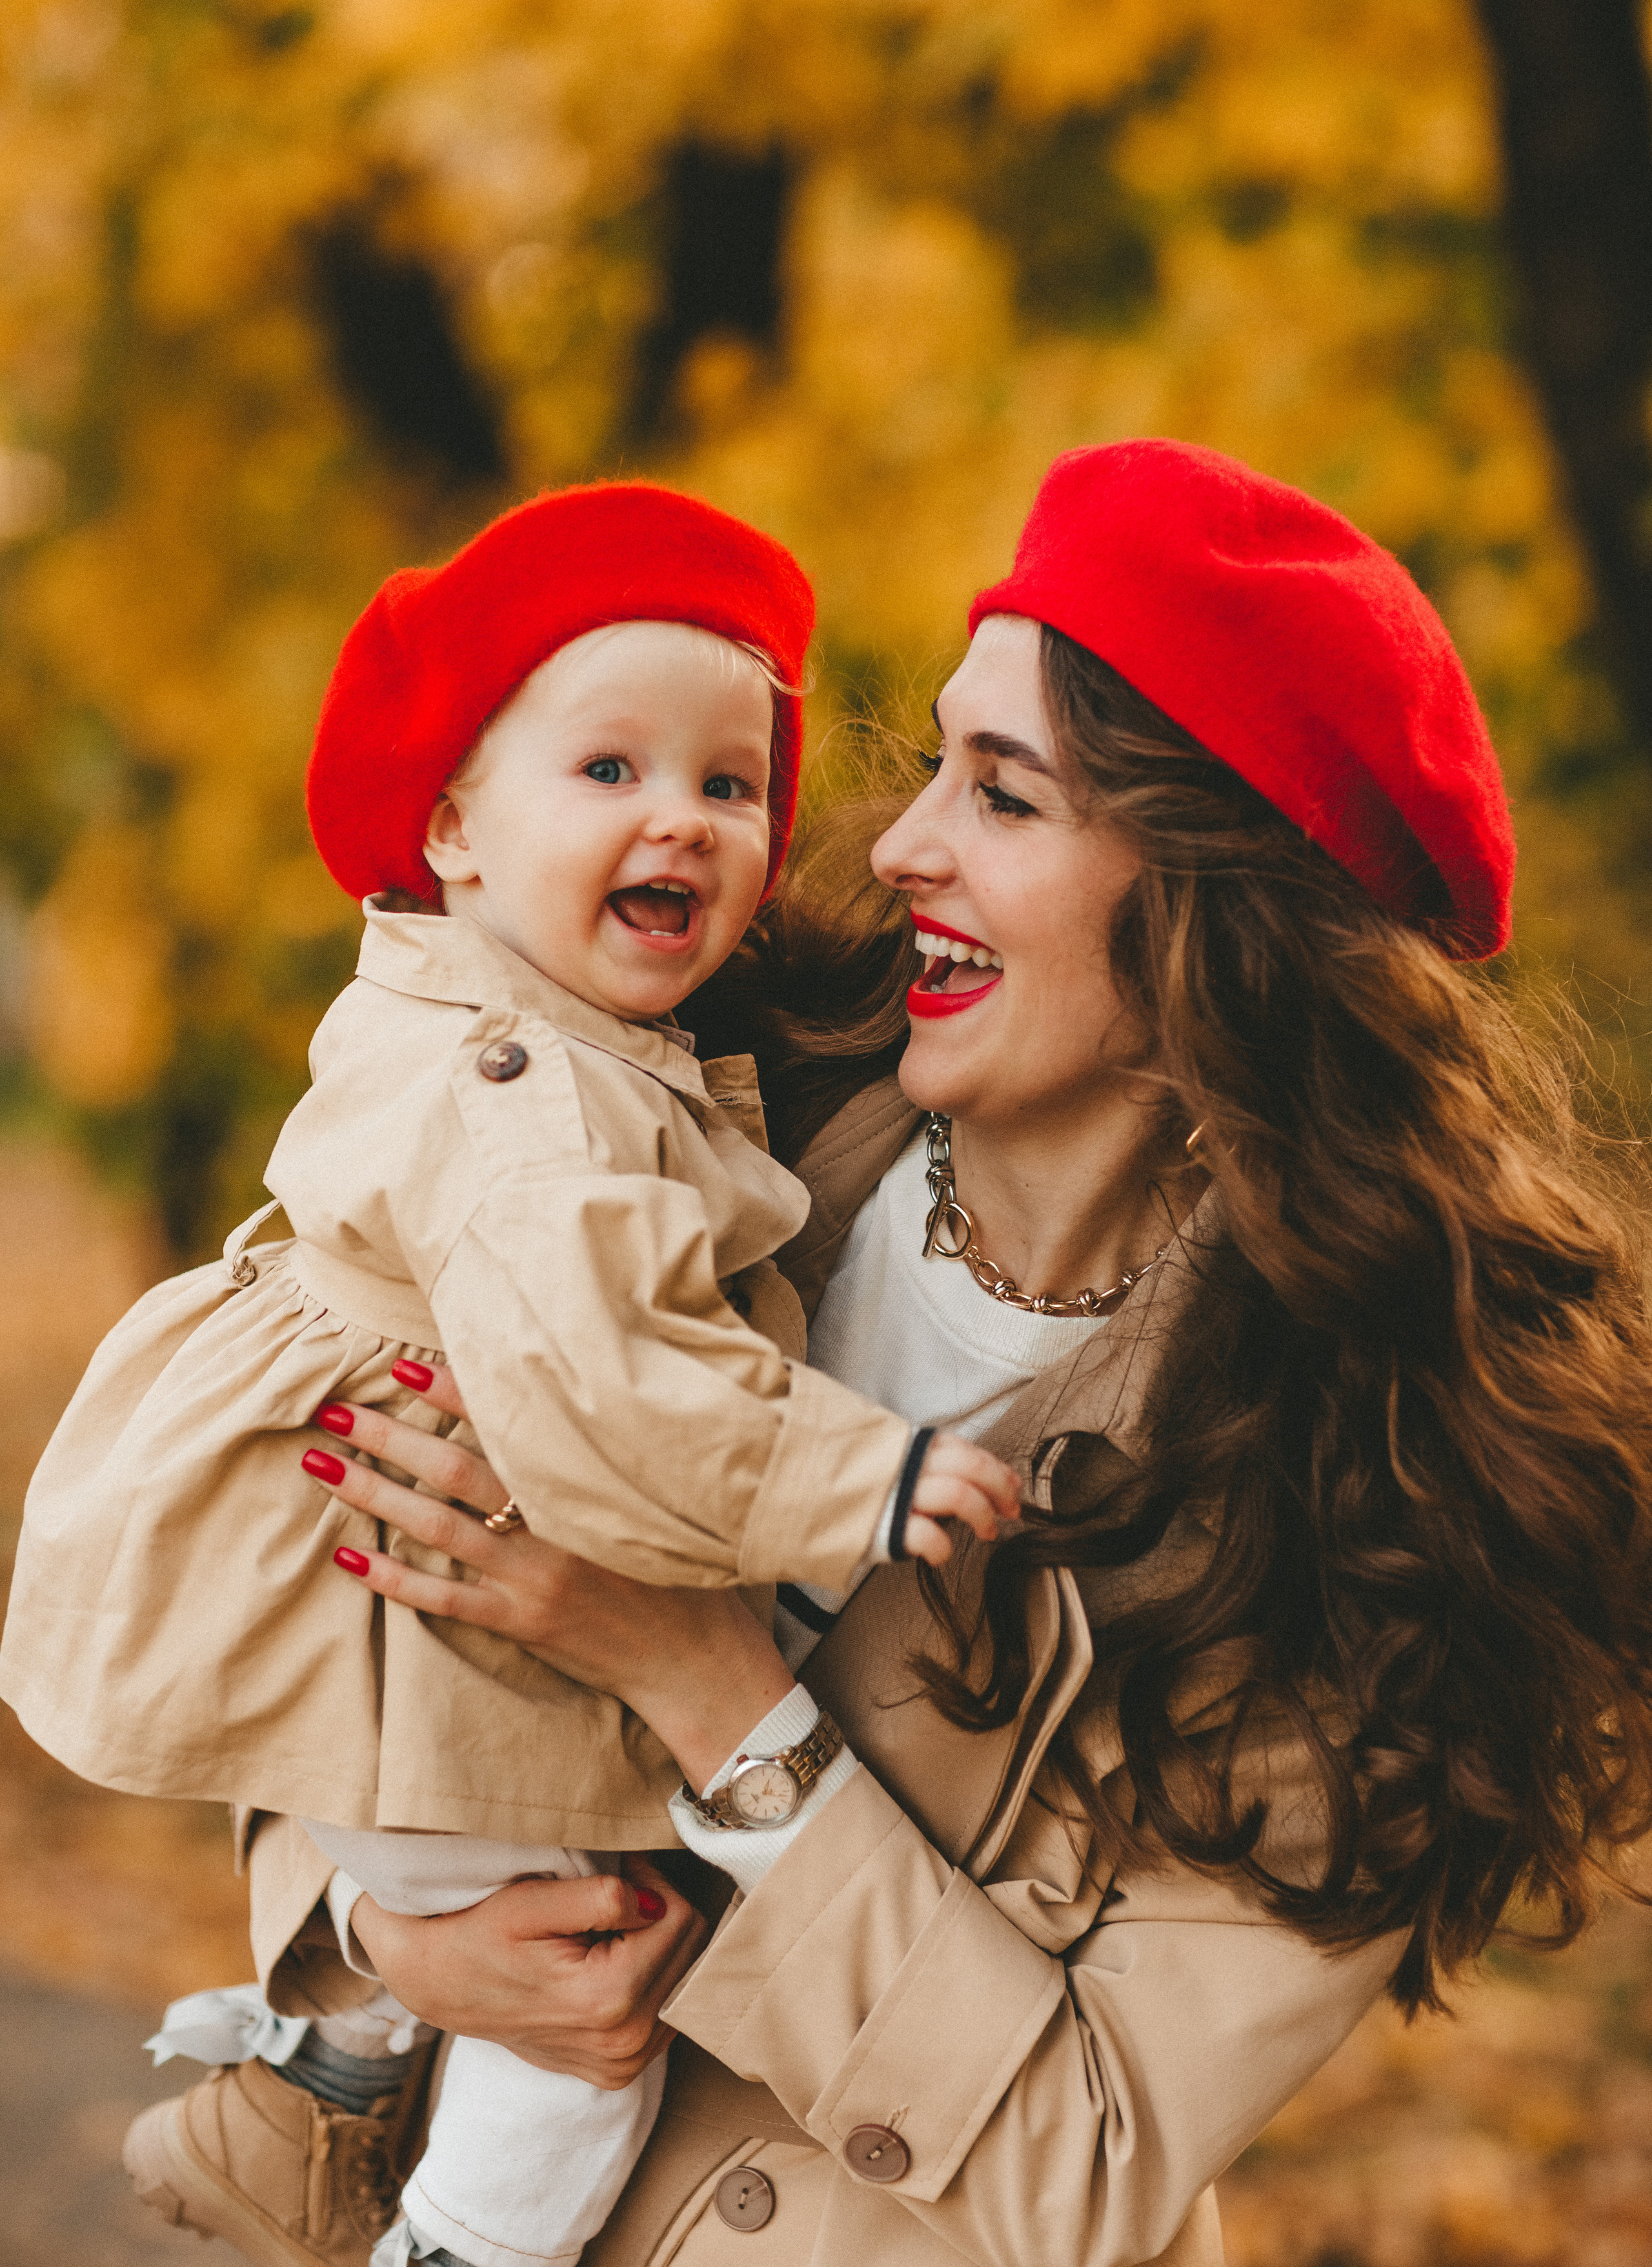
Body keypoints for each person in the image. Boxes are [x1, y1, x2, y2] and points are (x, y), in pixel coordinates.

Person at [230, 439, 1652, 2267]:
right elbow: (300, 1624)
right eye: (931, 773)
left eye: (1006, 797)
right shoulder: (660, 1144)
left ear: (1220, 910)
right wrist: (379, 1933)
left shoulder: (1371, 1491)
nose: (900, 846)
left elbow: (1097, 2164)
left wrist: (708, 1688)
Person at [0, 482, 1014, 2267]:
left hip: (374, 1621)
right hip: (420, 1639)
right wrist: (865, 1478)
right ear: (453, 827)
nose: (685, 824)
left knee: (493, 1924)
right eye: (609, 772)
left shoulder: (532, 1027)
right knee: (580, 2038)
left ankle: (307, 2091)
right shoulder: (535, 1102)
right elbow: (617, 1398)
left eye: (728, 786)